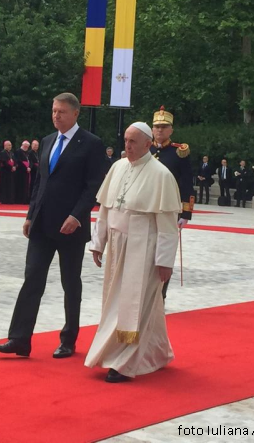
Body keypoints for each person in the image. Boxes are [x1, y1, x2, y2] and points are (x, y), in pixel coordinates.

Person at [0, 92, 105, 358]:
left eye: (61, 112)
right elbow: (40, 183)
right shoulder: (47, 141)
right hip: (42, 224)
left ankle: (68, 339)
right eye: (54, 111)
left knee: (70, 283)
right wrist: (30, 215)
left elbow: (93, 186)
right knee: (32, 278)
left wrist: (77, 216)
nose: (56, 116)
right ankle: (19, 338)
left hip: (70, 227)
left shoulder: (91, 143)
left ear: (75, 113)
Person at [85, 122, 181, 383]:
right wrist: (98, 242)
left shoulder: (161, 175)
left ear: (148, 144)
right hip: (117, 246)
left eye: (133, 142)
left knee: (136, 305)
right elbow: (105, 210)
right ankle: (157, 353)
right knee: (119, 302)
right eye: (125, 140)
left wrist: (164, 261)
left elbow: (167, 226)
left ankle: (124, 363)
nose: (127, 146)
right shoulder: (116, 167)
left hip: (143, 248)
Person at [150, 106, 193, 301]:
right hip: (146, 206)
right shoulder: (145, 149)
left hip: (169, 208)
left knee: (165, 250)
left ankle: (161, 294)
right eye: (157, 126)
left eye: (164, 127)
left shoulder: (179, 152)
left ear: (171, 130)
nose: (160, 130)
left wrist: (186, 213)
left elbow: (186, 182)